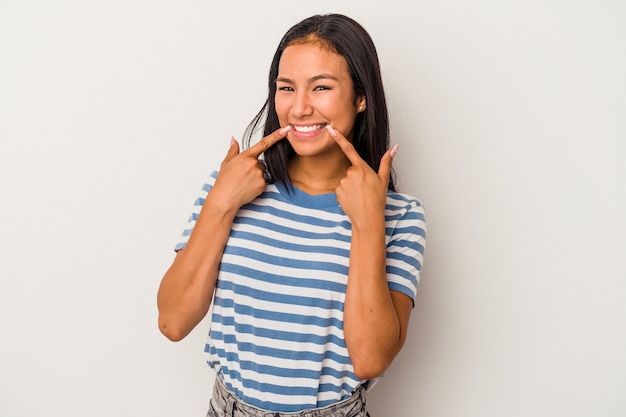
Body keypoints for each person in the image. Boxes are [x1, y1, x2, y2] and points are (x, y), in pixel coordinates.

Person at [157, 13, 426, 417]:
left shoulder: (400, 216)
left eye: (321, 87)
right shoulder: (229, 188)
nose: (299, 108)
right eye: (286, 88)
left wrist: (368, 223)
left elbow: (370, 359)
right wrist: (221, 204)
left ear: (360, 96)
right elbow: (173, 323)